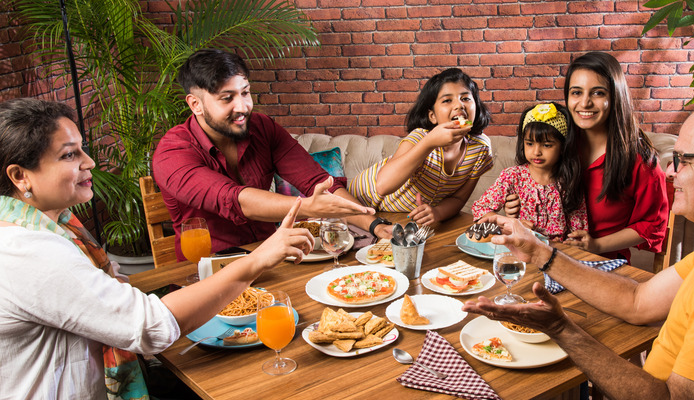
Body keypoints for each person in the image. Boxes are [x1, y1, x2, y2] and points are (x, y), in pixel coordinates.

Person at [465, 100, 694, 400]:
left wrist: (561, 328)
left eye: (683, 161)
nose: (671, 172)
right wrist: (541, 252)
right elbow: (639, 301)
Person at [0, 98, 315, 400]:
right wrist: (255, 261)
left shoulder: (55, 224)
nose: (89, 162)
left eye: (82, 150)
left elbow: (115, 296)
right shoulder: (28, 251)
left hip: (116, 391)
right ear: (20, 176)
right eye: (69, 155)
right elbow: (150, 327)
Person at [153, 49, 391, 260]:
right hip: (209, 270)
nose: (243, 107)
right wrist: (310, 207)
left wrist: (376, 226)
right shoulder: (172, 152)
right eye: (227, 98)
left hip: (272, 258)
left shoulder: (262, 127)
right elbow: (233, 199)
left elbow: (317, 183)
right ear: (195, 104)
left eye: (245, 93)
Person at [508, 52, 668, 261]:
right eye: (576, 92)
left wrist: (597, 245)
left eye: (598, 93)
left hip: (601, 263)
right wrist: (515, 210)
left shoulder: (641, 162)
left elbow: (651, 225)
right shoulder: (555, 144)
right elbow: (527, 181)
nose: (584, 103)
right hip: (541, 256)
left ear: (615, 97)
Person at [349, 68, 493, 226]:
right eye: (447, 100)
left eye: (465, 98)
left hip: (395, 215)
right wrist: (429, 143)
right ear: (432, 116)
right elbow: (382, 186)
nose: (459, 105)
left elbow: (458, 199)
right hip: (358, 200)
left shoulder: (480, 149)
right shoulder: (421, 137)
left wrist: (437, 213)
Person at [471, 102, 587, 241]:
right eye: (530, 144)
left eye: (547, 145)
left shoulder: (569, 181)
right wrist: (510, 223)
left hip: (557, 250)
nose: (536, 152)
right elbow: (480, 209)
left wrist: (569, 241)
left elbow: (578, 228)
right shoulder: (513, 176)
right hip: (521, 246)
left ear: (563, 147)